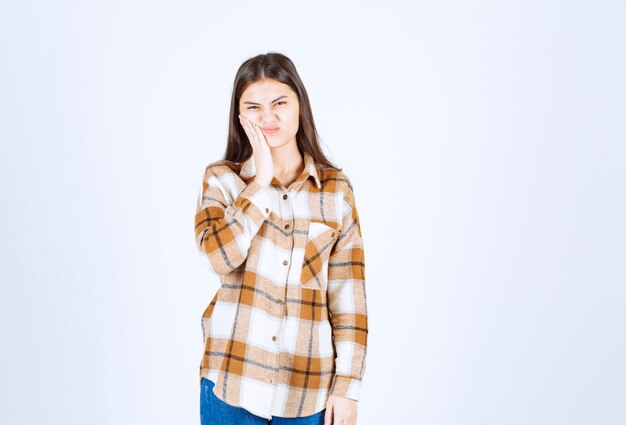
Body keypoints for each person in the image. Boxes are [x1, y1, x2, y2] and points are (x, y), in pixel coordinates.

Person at [194, 52, 368, 425]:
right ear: (239, 115)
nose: (267, 117)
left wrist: (347, 388)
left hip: (309, 393)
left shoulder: (336, 191)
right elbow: (219, 258)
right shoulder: (222, 180)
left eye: (279, 103)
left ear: (299, 106)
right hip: (231, 383)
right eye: (253, 107)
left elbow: (348, 298)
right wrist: (259, 184)